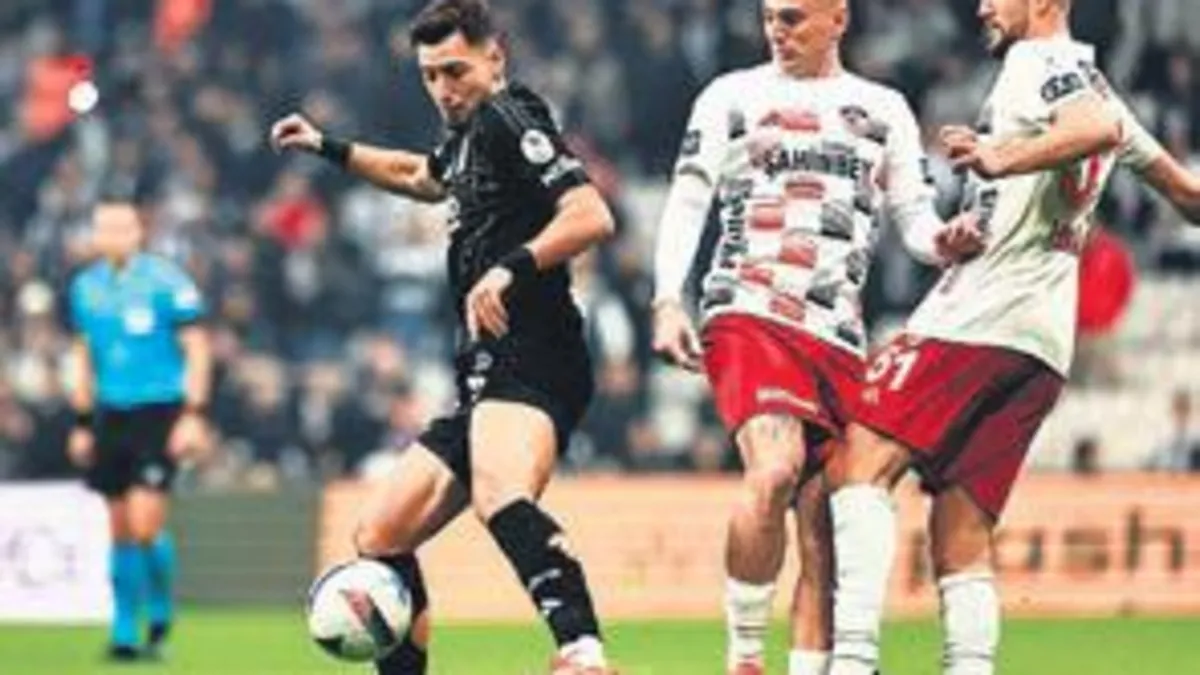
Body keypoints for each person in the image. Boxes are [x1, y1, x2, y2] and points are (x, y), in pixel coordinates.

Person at [824, 1, 1200, 674]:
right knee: (961, 529)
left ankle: (851, 661)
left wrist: (1001, 154)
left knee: (859, 456)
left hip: (981, 314)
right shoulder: (1098, 85)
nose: (983, 7)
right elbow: (1187, 195)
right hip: (1041, 341)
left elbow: (1091, 126)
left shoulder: (1040, 62)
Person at [269, 1, 616, 673]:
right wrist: (326, 146)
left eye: (455, 70)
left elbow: (590, 213)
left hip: (535, 351)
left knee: (501, 494)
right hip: (485, 368)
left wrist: (510, 268)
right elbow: (415, 175)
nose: (443, 88)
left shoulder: (509, 116)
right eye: (430, 75)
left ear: (495, 56)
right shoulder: (464, 139)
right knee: (380, 535)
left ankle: (583, 652)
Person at [650, 1, 982, 673]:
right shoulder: (730, 96)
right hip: (748, 308)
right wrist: (666, 299)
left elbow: (914, 219)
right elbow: (688, 199)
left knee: (822, 532)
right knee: (772, 469)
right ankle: (745, 655)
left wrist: (943, 241)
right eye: (771, 17)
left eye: (795, 18)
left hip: (836, 333)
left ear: (839, 18)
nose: (778, 30)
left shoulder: (884, 108)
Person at [66, 201, 211, 662]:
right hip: (111, 413)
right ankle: (125, 631)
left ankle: (161, 609)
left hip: (159, 412)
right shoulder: (85, 288)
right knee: (119, 527)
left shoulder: (167, 282)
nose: (113, 235)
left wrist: (193, 413)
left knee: (146, 524)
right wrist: (82, 422)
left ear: (139, 232)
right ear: (95, 234)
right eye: (105, 227)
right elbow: (83, 356)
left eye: (122, 227)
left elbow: (198, 348)